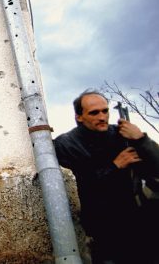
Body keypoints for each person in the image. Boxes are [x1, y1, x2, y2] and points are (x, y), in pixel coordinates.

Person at [53, 90, 159, 264]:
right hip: (101, 228)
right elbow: (79, 187)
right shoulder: (66, 144)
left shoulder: (122, 135)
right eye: (94, 113)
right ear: (79, 117)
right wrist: (114, 167)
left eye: (105, 111)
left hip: (136, 220)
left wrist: (141, 139)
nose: (102, 117)